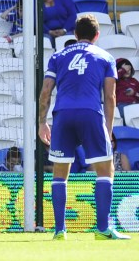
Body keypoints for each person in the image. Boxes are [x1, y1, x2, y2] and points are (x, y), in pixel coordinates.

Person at [39, 14, 129, 239]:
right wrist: (107, 130)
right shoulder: (105, 57)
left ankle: (60, 230)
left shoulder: (58, 56)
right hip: (90, 113)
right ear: (97, 35)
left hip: (63, 115)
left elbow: (46, 91)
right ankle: (102, 229)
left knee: (60, 173)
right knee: (106, 170)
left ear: (75, 34)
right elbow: (110, 97)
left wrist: (42, 122)